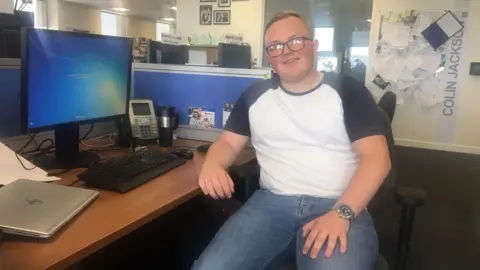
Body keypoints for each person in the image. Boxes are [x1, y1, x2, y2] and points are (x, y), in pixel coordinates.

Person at [193, 11, 391, 270]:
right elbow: (227, 144)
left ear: (314, 46)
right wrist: (212, 164)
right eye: (275, 47)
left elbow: (377, 158)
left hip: (339, 201)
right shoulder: (255, 96)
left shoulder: (348, 91)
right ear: (269, 57)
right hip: (271, 204)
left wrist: (341, 213)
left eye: (295, 41)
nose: (285, 51)